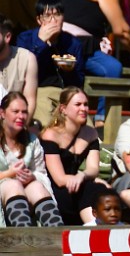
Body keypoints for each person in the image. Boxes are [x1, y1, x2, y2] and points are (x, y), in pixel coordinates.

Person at [60, 0, 130, 125]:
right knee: (113, 68)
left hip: (73, 46)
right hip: (73, 46)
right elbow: (122, 31)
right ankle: (102, 119)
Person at [39, 87, 105, 225]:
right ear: (63, 109)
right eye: (78, 104)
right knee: (77, 192)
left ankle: (94, 227)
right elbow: (59, 179)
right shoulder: (51, 135)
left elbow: (93, 169)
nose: (83, 108)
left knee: (99, 189)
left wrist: (82, 176)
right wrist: (80, 179)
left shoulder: (90, 133)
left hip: (76, 182)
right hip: (54, 187)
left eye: (86, 104)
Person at [16, 0, 87, 124]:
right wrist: (40, 43)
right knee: (46, 124)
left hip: (66, 94)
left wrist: (70, 71)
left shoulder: (73, 43)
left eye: (57, 15)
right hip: (38, 92)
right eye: (48, 16)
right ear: (39, 20)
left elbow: (79, 81)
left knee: (87, 130)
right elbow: (21, 71)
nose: (53, 20)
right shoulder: (25, 39)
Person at [0, 92, 61, 228]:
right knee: (13, 185)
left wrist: (32, 177)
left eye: (24, 112)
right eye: (15, 111)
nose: (21, 116)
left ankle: (57, 234)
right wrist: (10, 173)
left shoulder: (32, 140)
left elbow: (42, 174)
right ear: (2, 113)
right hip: (4, 196)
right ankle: (23, 236)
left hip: (27, 197)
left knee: (36, 186)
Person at [0, 15, 39, 125]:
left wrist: (22, 128)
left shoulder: (26, 58)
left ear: (7, 37)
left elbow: (30, 100)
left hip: (18, 123)